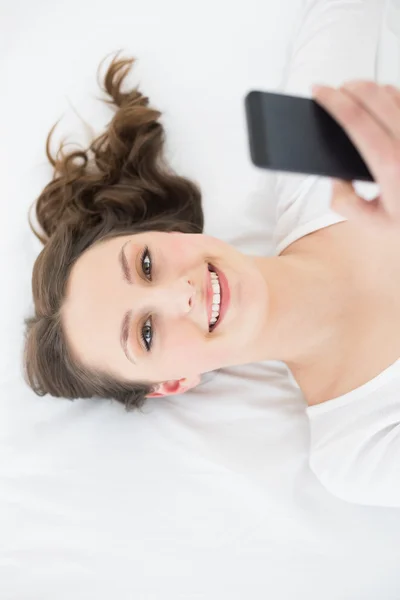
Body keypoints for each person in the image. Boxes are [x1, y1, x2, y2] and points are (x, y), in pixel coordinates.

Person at [24, 0, 400, 507]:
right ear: (173, 382)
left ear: (170, 232)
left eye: (147, 264)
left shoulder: (317, 161)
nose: (180, 293)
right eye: (147, 332)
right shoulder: (355, 452)